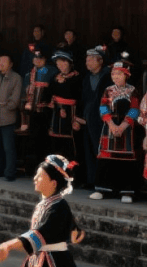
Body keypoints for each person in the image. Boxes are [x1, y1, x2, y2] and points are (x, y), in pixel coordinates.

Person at [91, 55, 139, 203]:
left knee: (125, 161)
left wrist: (123, 126)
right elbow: (103, 108)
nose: (115, 77)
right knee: (106, 158)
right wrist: (112, 125)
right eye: (113, 74)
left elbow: (135, 110)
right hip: (109, 129)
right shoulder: (108, 90)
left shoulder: (133, 91)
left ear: (126, 75)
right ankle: (102, 189)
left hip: (127, 130)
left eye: (118, 74)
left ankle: (126, 192)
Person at [76, 47, 110, 190]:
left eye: (90, 60)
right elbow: (82, 99)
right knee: (88, 149)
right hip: (87, 118)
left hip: (102, 119)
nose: (87, 63)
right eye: (86, 60)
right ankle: (91, 179)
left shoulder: (107, 77)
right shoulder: (86, 78)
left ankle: (103, 181)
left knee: (100, 149)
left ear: (100, 61)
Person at [0, 54, 22, 181]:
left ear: (11, 64)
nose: (0, 63)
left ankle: (10, 172)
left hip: (7, 117)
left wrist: (4, 106)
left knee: (8, 147)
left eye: (4, 61)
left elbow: (15, 100)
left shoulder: (16, 78)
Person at [47, 51, 81, 162]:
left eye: (63, 62)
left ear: (70, 63)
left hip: (71, 113)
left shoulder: (77, 78)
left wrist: (79, 117)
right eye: (58, 62)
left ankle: (71, 172)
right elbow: (49, 93)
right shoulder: (54, 77)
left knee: (70, 144)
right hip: (56, 113)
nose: (60, 65)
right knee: (55, 142)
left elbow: (81, 98)